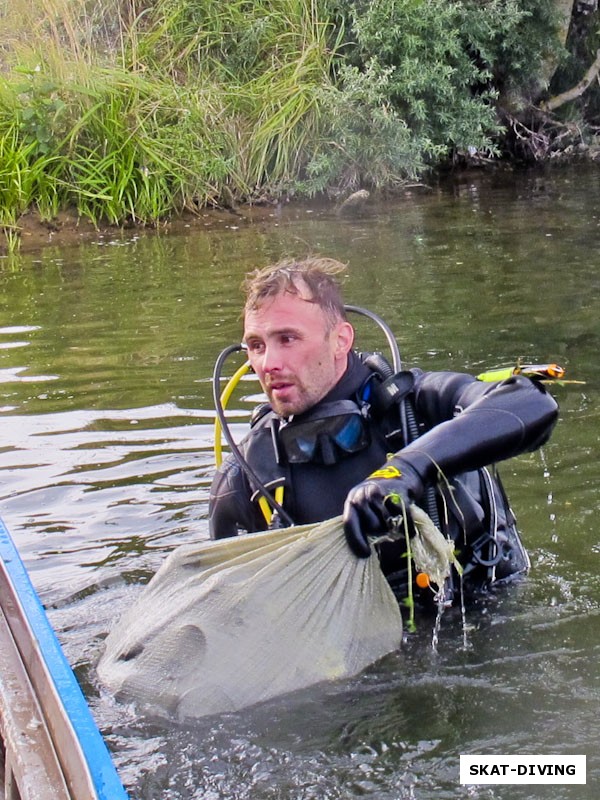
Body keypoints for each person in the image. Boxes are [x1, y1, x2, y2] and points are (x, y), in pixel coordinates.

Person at [208, 257, 559, 608]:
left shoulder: (417, 407)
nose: (269, 363)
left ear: (341, 339)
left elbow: (530, 402)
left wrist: (406, 470)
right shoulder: (248, 475)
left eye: (288, 338)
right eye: (256, 346)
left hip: (485, 616)